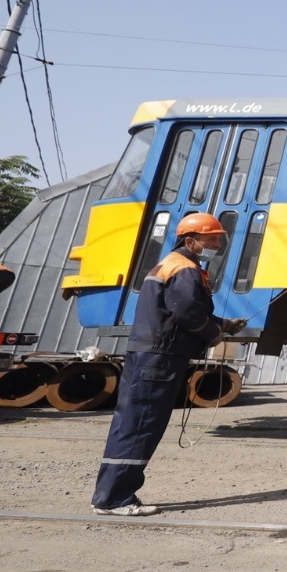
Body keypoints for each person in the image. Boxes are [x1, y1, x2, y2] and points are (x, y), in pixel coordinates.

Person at [90, 213, 242, 516]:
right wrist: (213, 334)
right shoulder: (185, 268)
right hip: (160, 356)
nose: (217, 243)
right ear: (191, 241)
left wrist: (224, 324)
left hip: (148, 353)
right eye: (211, 238)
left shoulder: (171, 265)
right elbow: (186, 311)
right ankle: (115, 499)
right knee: (143, 423)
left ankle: (108, 494)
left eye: (218, 238)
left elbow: (179, 308)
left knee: (130, 421)